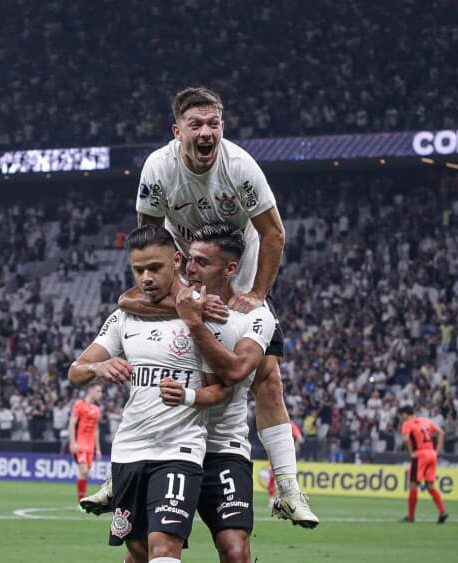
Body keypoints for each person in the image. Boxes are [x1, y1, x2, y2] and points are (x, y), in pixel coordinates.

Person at [123, 86, 314, 526]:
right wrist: (166, 289)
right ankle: (129, 468)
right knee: (151, 356)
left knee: (267, 375)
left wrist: (257, 293)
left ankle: (286, 488)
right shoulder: (158, 167)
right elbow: (148, 240)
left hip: (235, 276)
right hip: (184, 275)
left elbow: (274, 233)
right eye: (197, 125)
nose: (207, 132)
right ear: (178, 132)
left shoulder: (240, 167)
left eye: (214, 124)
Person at [69, 225, 229, 563]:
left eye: (154, 267)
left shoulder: (201, 316)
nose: (146, 278)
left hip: (179, 450)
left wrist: (187, 396)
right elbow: (76, 372)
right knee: (139, 552)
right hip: (128, 451)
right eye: (138, 270)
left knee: (164, 548)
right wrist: (100, 367)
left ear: (176, 261)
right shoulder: (123, 317)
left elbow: (220, 389)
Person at [159, 222, 312, 562]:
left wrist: (196, 322)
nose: (190, 269)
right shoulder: (167, 303)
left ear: (230, 270)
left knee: (236, 551)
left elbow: (235, 371)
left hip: (224, 451)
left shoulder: (256, 317)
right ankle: (116, 478)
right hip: (169, 447)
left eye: (202, 263)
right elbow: (129, 299)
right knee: (147, 552)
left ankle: (288, 487)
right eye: (189, 260)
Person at [398, 405, 448, 524]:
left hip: (420, 455)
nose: (402, 418)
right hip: (432, 454)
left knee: (413, 485)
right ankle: (442, 511)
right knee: (430, 485)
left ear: (405, 414)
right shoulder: (426, 420)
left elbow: (405, 440)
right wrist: (437, 451)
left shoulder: (407, 423)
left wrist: (410, 453)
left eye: (402, 415)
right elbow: (441, 433)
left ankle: (411, 516)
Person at [69, 382, 103, 501]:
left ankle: (81, 499)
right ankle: (81, 501)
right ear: (91, 390)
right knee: (83, 470)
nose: (100, 394)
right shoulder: (79, 405)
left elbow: (96, 430)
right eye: (98, 391)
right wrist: (73, 442)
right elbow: (72, 424)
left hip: (91, 446)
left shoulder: (97, 409)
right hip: (80, 443)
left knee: (85, 473)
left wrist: (97, 449)